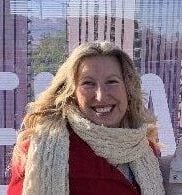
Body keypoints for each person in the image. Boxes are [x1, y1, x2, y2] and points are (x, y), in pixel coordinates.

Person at [7, 41, 165, 195]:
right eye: (88, 83)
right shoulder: (38, 150)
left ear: (128, 89)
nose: (101, 96)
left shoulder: (145, 150)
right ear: (71, 93)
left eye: (112, 82)